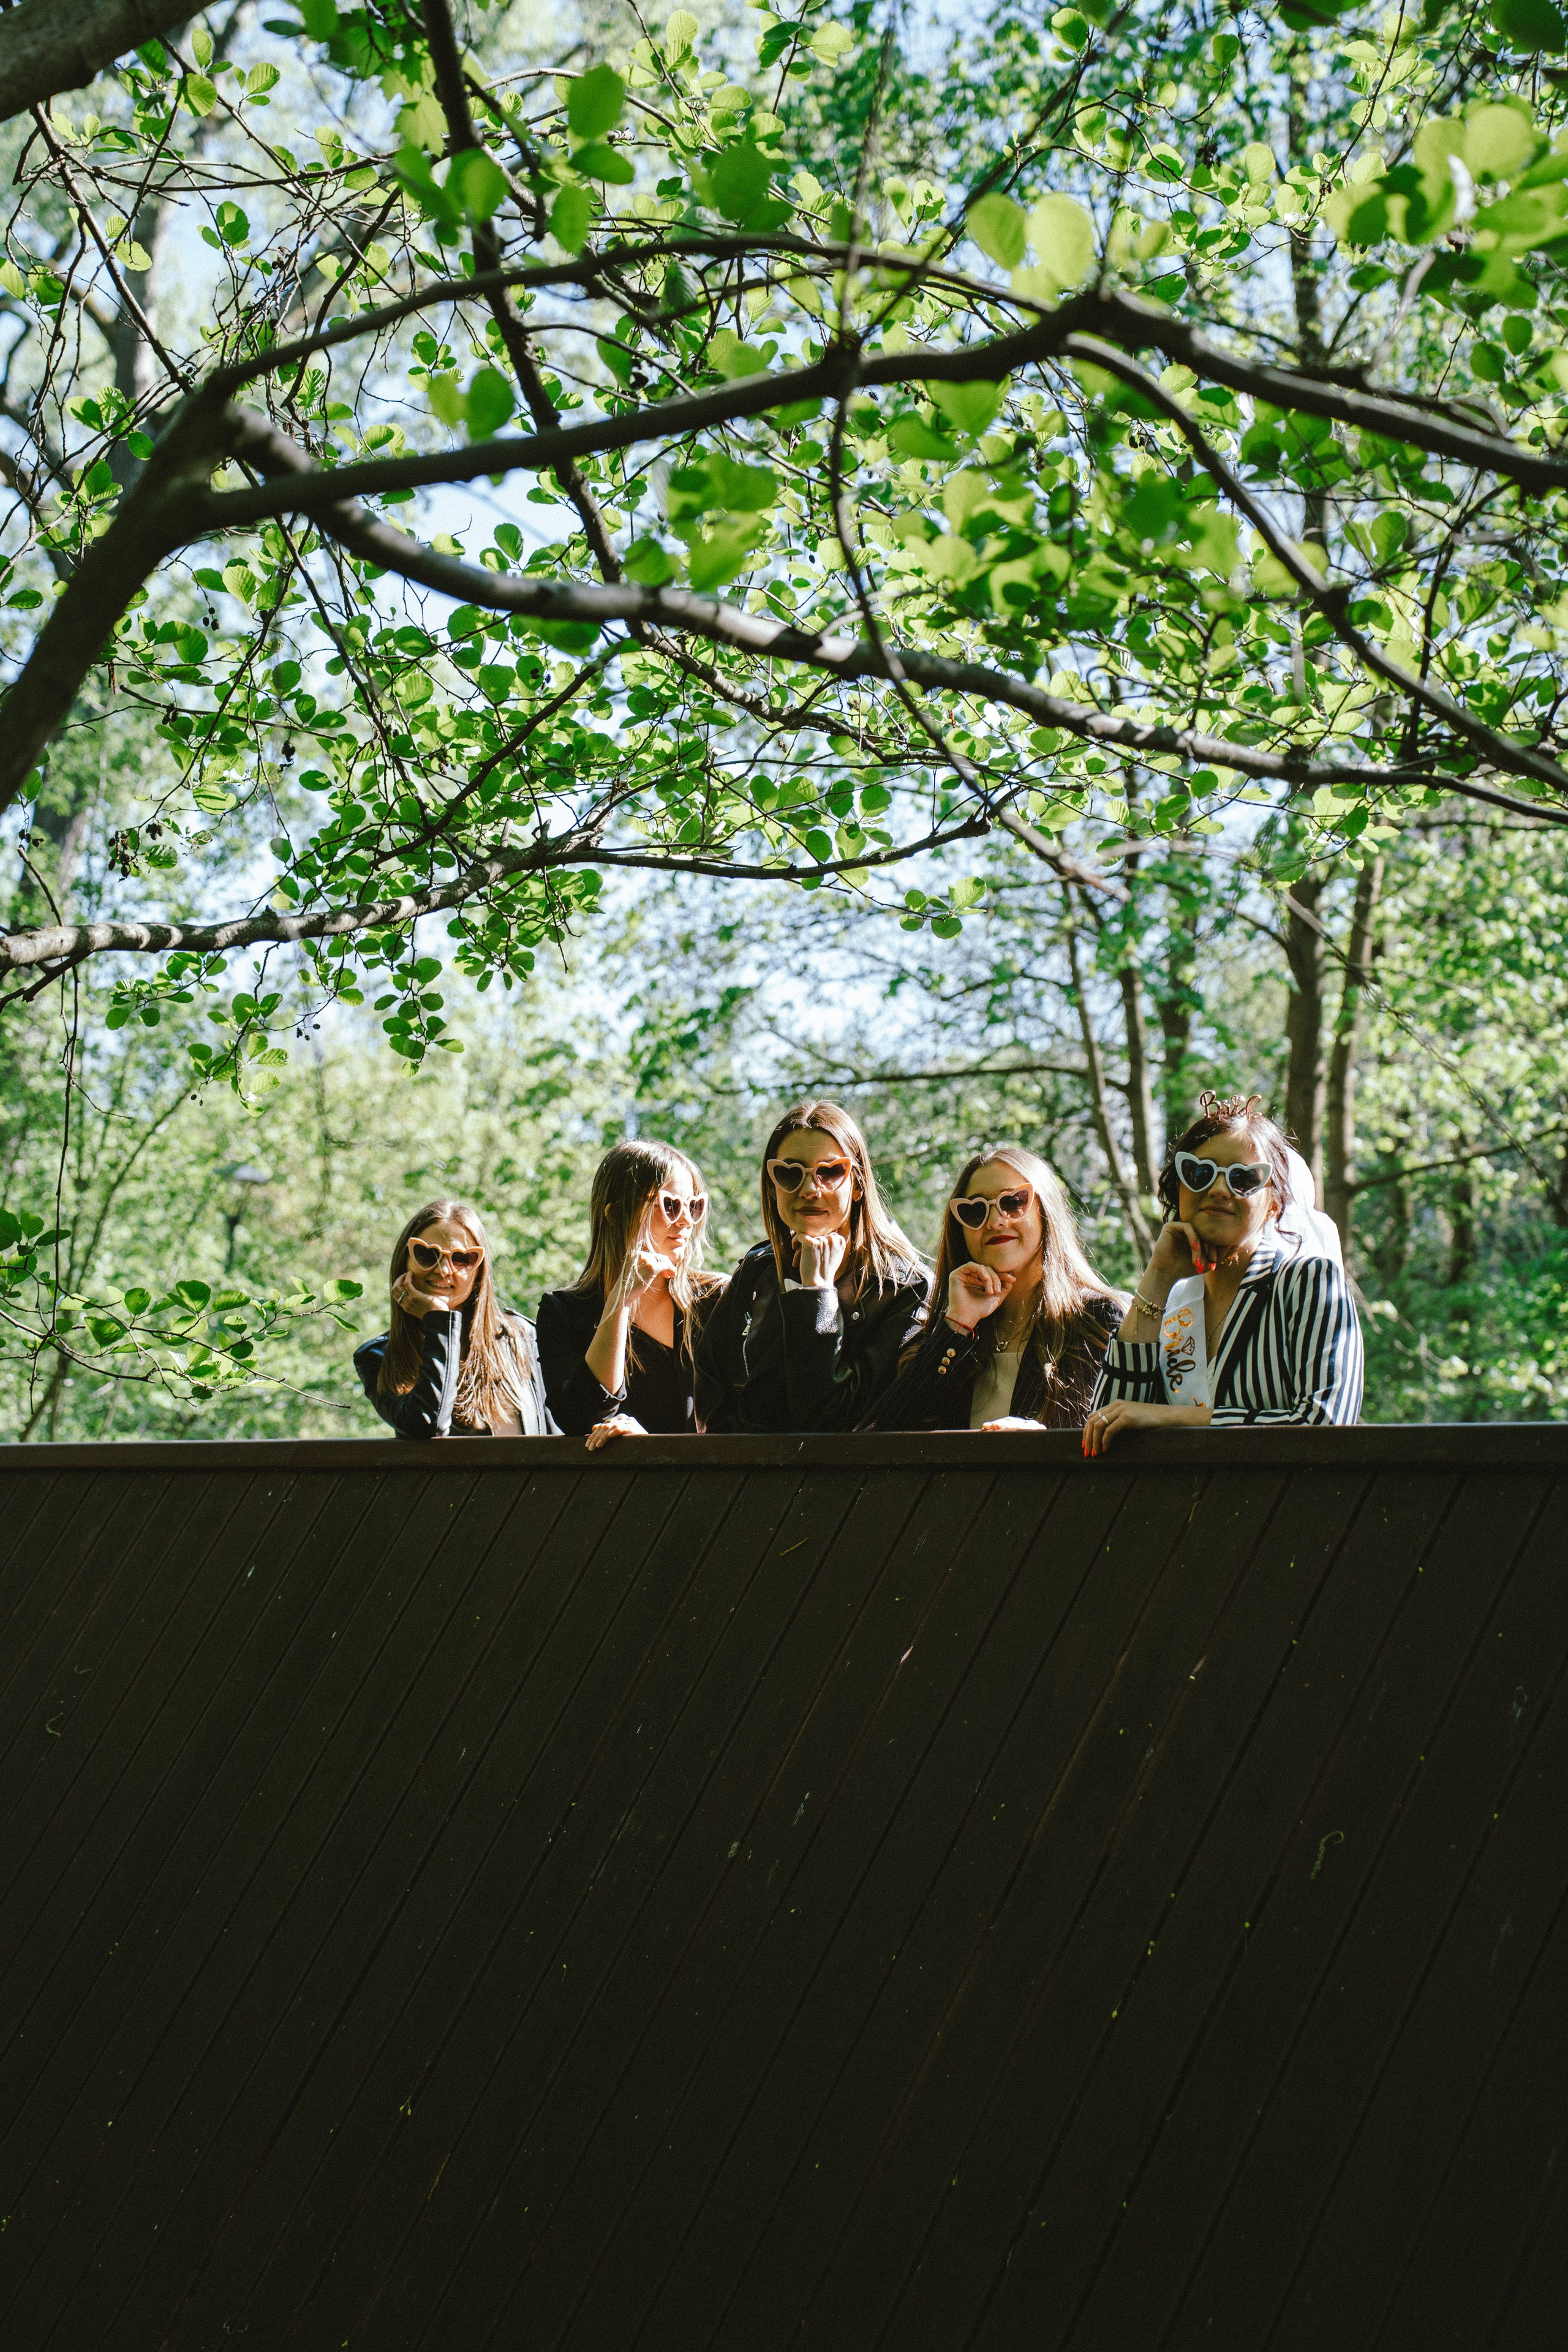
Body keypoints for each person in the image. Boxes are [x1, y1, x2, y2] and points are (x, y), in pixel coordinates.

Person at [1083, 1091, 1363, 1452]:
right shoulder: (1169, 1300)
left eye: (1243, 1179)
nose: (1218, 1189)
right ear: (1179, 1187)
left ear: (1275, 1202)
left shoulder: (1307, 1282)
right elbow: (1106, 1424)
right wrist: (1158, 1277)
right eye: (1199, 1173)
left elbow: (1325, 1426)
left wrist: (1172, 1417)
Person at [694, 1099, 928, 1433]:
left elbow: (833, 1420)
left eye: (830, 1172)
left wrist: (817, 1292)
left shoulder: (906, 1288)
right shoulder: (756, 1269)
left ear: (859, 1185)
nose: (809, 1189)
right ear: (772, 1184)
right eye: (789, 1173)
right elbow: (712, 1401)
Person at [867, 1146, 1125, 1430]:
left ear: (1045, 1210)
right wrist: (957, 1325)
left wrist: (1046, 1443)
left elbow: (1116, 1442)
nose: (995, 1221)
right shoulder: (951, 1331)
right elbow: (887, 1433)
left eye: (1013, 1202)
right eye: (975, 1211)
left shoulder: (1097, 1319)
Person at [535, 1140, 723, 1447]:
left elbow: (740, 1420)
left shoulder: (714, 1299)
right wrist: (620, 1303)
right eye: (670, 1205)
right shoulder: (563, 1311)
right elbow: (577, 1418)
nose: (688, 1221)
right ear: (615, 1214)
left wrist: (648, 1446)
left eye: (694, 1205)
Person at [354, 1197, 549, 1438]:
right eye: (428, 1254)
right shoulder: (377, 1357)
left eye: (462, 1259)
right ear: (405, 1261)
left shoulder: (522, 1336)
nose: (444, 1270)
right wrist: (438, 1321)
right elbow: (426, 1426)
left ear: (479, 1269)